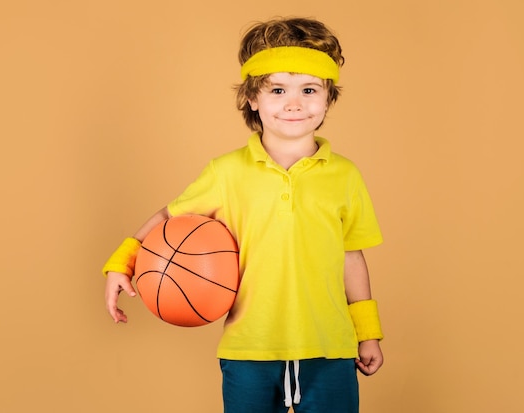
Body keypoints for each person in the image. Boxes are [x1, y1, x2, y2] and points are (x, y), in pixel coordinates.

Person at [102, 17, 384, 413]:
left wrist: (367, 334)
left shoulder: (346, 175)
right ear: (252, 98)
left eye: (309, 89)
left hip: (330, 347)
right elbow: (168, 216)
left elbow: (351, 256)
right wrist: (122, 262)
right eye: (278, 90)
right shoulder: (226, 171)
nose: (294, 103)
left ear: (328, 98)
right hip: (249, 347)